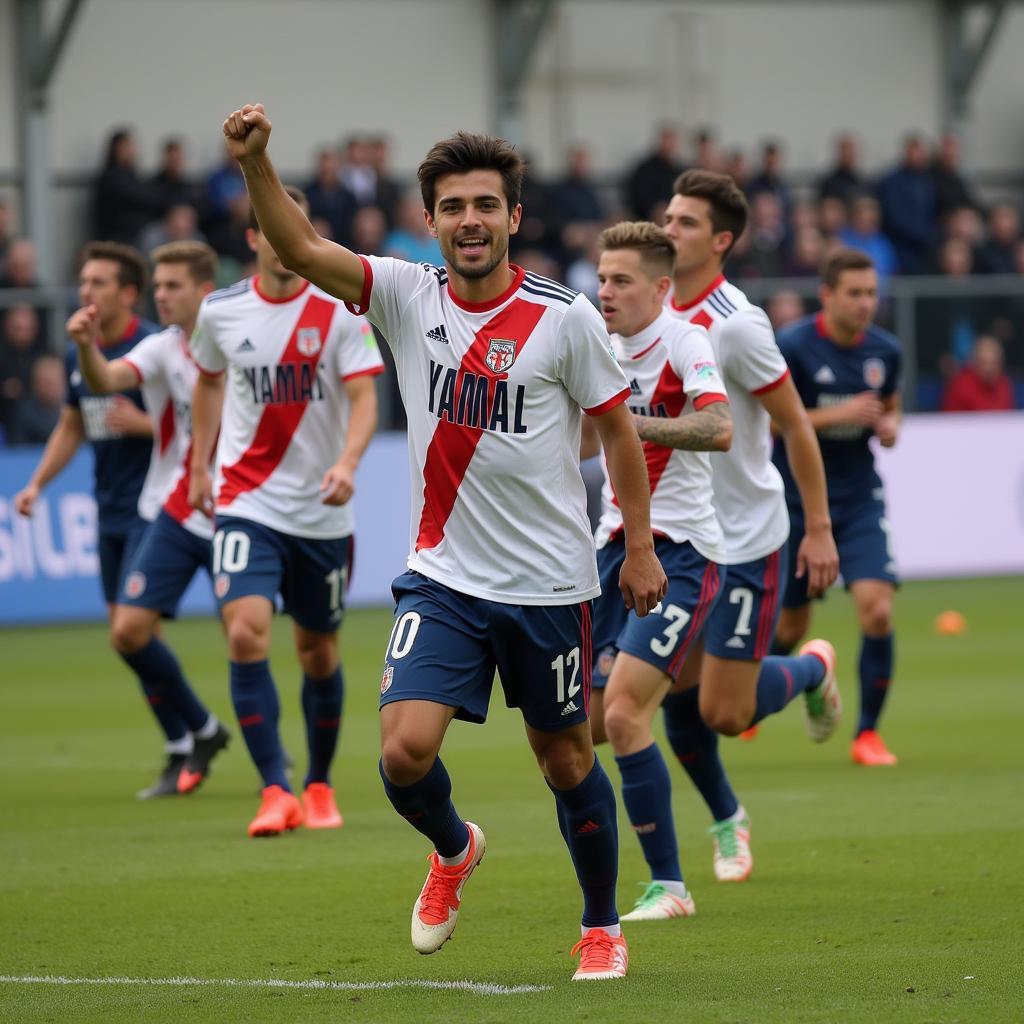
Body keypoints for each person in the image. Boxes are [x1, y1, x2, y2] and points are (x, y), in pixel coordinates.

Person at [223, 103, 667, 980]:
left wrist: (640, 545)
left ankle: (601, 925)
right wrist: (255, 165)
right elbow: (306, 251)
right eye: (453, 206)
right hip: (444, 576)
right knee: (402, 752)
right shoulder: (401, 291)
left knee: (566, 758)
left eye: (486, 205)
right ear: (429, 221)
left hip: (549, 585)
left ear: (513, 218)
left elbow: (618, 433)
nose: (471, 220)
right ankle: (455, 848)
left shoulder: (566, 317)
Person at [188, 185, 384, 838]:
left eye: (295, 226)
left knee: (317, 652)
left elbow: (363, 400)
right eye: (273, 227)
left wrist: (349, 463)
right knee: (244, 631)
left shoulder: (338, 310)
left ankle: (320, 784)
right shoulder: (219, 312)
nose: (283, 237)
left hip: (321, 511)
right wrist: (199, 465)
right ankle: (275, 789)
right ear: (253, 237)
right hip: (247, 500)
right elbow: (209, 383)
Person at [661, 170, 841, 880]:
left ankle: (811, 668)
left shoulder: (736, 324)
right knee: (676, 694)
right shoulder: (647, 309)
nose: (669, 229)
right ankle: (728, 820)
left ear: (722, 240)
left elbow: (795, 425)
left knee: (727, 713)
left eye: (686, 223)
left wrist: (818, 527)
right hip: (684, 536)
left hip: (744, 537)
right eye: (668, 217)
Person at [585, 221, 733, 920]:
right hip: (610, 548)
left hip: (681, 552)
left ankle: (669, 887)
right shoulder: (597, 346)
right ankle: (811, 670)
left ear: (661, 288)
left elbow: (717, 428)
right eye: (601, 277)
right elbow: (582, 436)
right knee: (578, 724)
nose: (604, 291)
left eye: (620, 280)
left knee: (622, 713)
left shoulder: (685, 342)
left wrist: (628, 425)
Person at [68, 242, 230, 798]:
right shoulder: (163, 348)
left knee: (252, 637)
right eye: (157, 286)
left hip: (243, 508)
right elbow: (105, 381)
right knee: (128, 631)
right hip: (174, 505)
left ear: (204, 291)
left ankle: (277, 769)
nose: (161, 295)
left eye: (172, 286)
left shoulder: (241, 339)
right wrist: (87, 347)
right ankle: (202, 730)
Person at [773, 250, 902, 766]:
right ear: (827, 295)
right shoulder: (794, 346)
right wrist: (839, 414)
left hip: (858, 499)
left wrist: (890, 427)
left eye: (871, 293)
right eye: (855, 293)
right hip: (797, 502)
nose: (865, 303)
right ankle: (761, 693)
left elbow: (889, 408)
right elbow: (773, 423)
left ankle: (867, 734)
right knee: (789, 628)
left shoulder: (886, 350)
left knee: (878, 610)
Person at [15, 243, 155, 624]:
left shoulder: (154, 347)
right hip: (107, 503)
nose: (86, 291)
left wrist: (142, 424)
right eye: (83, 281)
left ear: (128, 294)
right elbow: (71, 425)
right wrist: (36, 485)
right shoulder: (79, 350)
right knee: (122, 631)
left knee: (133, 627)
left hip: (152, 507)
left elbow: (198, 423)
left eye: (99, 282)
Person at [941, 334, 1015, 412]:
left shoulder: (1005, 385)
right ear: (973, 362)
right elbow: (950, 421)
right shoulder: (959, 386)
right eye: (983, 363)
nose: (989, 369)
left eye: (994, 363)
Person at [8, 354, 64, 444]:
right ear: (35, 383)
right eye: (46, 382)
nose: (50, 388)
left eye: (54, 382)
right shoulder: (24, 413)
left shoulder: (74, 409)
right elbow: (18, 450)